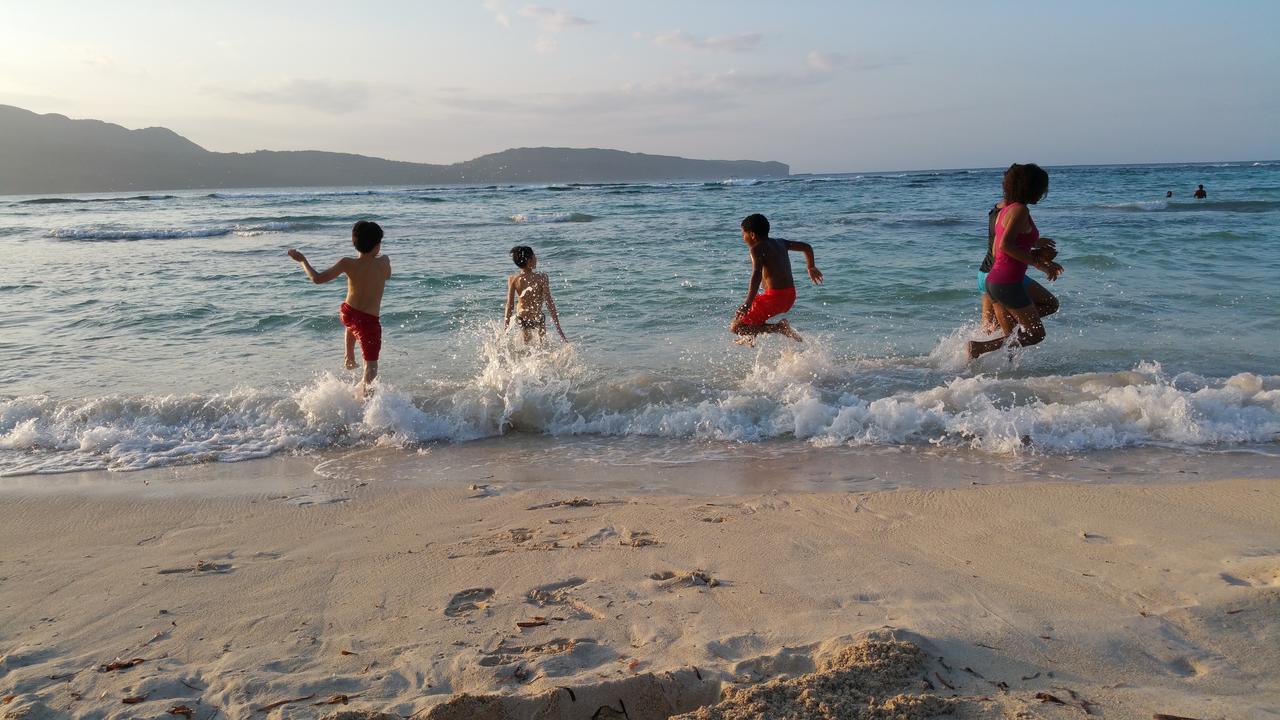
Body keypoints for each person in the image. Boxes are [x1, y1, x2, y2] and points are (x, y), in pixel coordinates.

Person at [967, 164, 1063, 359]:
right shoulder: (1020, 210)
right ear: (1031, 187)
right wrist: (1040, 264)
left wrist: (1035, 252)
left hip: (994, 280)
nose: (1044, 193)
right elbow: (1005, 246)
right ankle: (979, 348)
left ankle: (1006, 375)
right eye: (1042, 188)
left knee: (1011, 333)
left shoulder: (1004, 210)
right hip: (1007, 283)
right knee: (1036, 334)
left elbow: (997, 247)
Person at [287, 220, 391, 390]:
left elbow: (317, 279)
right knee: (371, 370)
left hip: (348, 313)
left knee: (352, 322)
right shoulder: (384, 261)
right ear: (377, 244)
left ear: (355, 243)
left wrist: (302, 261)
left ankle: (349, 355)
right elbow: (388, 276)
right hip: (368, 322)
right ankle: (365, 403)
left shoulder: (347, 263)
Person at [731, 213, 823, 345]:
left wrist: (748, 303)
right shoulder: (781, 243)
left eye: (743, 234)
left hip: (774, 299)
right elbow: (806, 247)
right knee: (746, 320)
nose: (743, 238)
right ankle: (751, 334)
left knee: (736, 327)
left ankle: (779, 327)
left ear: (752, 235)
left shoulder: (756, 249)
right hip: (789, 296)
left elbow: (756, 276)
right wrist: (811, 266)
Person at [977, 199, 1059, 332]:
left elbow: (1002, 240)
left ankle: (964, 349)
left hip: (984, 274)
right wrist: (1039, 261)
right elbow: (1005, 248)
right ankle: (1010, 324)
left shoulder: (997, 210)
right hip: (1001, 275)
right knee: (1050, 304)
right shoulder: (1014, 210)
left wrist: (1034, 244)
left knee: (989, 328)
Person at [504, 245, 567, 344]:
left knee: (526, 344)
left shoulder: (513, 279)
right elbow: (549, 302)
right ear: (529, 261)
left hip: (522, 317)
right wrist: (558, 327)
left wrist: (505, 328)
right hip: (538, 317)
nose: (536, 258)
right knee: (543, 344)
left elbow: (509, 306)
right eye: (534, 257)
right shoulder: (542, 278)